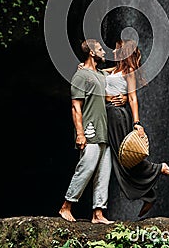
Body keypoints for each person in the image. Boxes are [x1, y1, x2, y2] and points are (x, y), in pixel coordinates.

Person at [80, 39, 169, 218]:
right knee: (118, 162)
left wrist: (137, 123)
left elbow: (133, 98)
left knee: (123, 159)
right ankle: (148, 195)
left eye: (118, 49)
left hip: (118, 117)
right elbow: (97, 74)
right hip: (107, 117)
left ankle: (159, 168)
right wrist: (85, 68)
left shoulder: (130, 73)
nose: (115, 51)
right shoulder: (113, 70)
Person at [59, 39, 114, 224]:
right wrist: (80, 133)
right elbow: (76, 107)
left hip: (104, 132)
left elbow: (108, 74)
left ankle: (98, 214)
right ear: (91, 53)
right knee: (86, 167)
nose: (104, 52)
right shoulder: (81, 76)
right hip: (89, 131)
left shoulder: (98, 74)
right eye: (100, 49)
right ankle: (66, 206)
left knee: (104, 172)